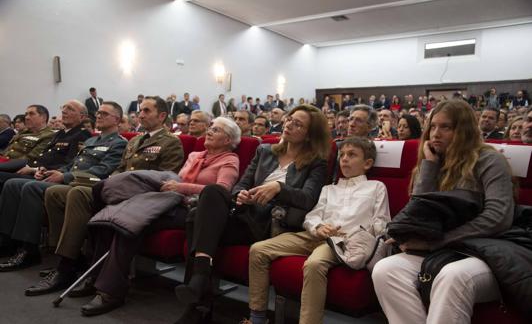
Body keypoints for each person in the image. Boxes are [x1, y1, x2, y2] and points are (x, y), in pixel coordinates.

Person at [174, 105, 331, 323]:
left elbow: (308, 198)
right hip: (245, 215)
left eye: (298, 124)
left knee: (195, 219)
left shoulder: (316, 162)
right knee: (211, 194)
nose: (289, 125)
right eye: (289, 119)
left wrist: (278, 188)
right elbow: (241, 184)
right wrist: (242, 195)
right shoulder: (265, 150)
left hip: (271, 224)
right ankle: (200, 288)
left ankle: (198, 302)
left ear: (310, 134)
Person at [78, 117, 242, 316]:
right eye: (211, 127)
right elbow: (174, 181)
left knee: (130, 225)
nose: (209, 131)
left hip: (194, 212)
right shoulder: (195, 155)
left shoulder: (230, 160)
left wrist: (181, 187)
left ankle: (110, 292)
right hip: (169, 201)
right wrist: (174, 187)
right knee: (115, 219)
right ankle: (95, 278)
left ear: (227, 140)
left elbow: (220, 192)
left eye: (216, 130)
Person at [372, 99, 515, 324]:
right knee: (386, 270)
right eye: (433, 126)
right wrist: (429, 167)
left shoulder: (489, 160)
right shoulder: (432, 161)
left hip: (484, 252)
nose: (435, 134)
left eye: (445, 127)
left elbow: (498, 218)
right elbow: (419, 213)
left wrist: (435, 243)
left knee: (453, 276)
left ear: (463, 130)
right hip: (444, 250)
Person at [38, 96, 183, 299]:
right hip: (116, 190)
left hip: (139, 197)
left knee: (78, 193)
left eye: (147, 111)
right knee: (54, 192)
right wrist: (110, 186)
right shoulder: (135, 141)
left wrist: (116, 188)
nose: (140, 114)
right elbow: (119, 170)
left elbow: (165, 179)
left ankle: (68, 266)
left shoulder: (171, 143)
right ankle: (71, 256)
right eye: (140, 110)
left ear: (162, 116)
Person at [244, 137, 390, 324]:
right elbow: (312, 216)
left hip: (341, 240)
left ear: (368, 163)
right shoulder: (330, 189)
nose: (344, 159)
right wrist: (318, 226)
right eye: (342, 154)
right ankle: (257, 317)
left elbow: (381, 222)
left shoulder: (376, 187)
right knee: (258, 249)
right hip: (314, 235)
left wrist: (357, 233)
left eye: (351, 155)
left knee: (314, 264)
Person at [0, 102, 126, 273]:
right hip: (69, 178)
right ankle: (8, 241)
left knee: (30, 187)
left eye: (104, 114)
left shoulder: (118, 143)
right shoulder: (91, 140)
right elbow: (73, 164)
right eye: (98, 113)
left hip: (82, 183)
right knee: (13, 184)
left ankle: (29, 249)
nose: (98, 116)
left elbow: (103, 170)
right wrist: (50, 171)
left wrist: (64, 176)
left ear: (117, 119)